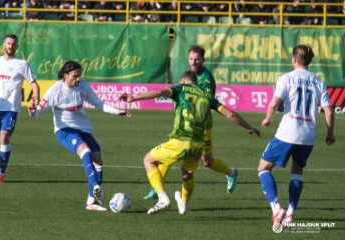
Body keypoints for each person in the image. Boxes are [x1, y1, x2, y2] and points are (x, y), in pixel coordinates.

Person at [120, 71, 261, 215]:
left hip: (181, 140)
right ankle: (184, 204)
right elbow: (230, 114)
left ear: (183, 82)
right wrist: (249, 127)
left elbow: (159, 92)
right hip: (199, 145)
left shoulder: (179, 89)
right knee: (187, 174)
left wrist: (134, 98)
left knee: (149, 160)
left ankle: (162, 198)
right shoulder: (208, 96)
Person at [144, 45, 261, 200]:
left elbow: (203, 102)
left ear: (203, 60)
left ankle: (231, 172)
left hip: (202, 126)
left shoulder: (206, 79)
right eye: (191, 59)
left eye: (197, 59)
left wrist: (247, 126)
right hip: (189, 126)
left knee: (207, 161)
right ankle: (157, 188)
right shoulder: (190, 76)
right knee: (172, 153)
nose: (193, 62)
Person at [27, 60, 131, 211]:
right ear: (65, 75)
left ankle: (91, 202)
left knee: (98, 161)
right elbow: (37, 112)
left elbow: (98, 103)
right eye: (75, 76)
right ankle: (96, 186)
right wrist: (32, 112)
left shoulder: (84, 86)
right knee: (85, 151)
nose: (78, 79)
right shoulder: (55, 91)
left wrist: (116, 111)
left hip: (83, 129)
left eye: (80, 75)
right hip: (64, 130)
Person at [257, 44, 335, 232]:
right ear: (309, 61)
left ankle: (276, 208)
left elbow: (275, 102)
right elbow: (329, 111)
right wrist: (330, 133)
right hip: (308, 134)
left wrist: (268, 118)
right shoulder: (318, 81)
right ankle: (291, 213)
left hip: (288, 131)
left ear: (294, 59)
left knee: (263, 168)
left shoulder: (286, 78)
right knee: (297, 172)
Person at [0, 34, 40, 183]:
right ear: (3, 45)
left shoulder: (22, 64)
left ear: (16, 47)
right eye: (8, 43)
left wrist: (36, 99)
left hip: (10, 109)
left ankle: (0, 174)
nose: (10, 46)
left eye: (13, 44)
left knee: (4, 136)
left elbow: (34, 84)